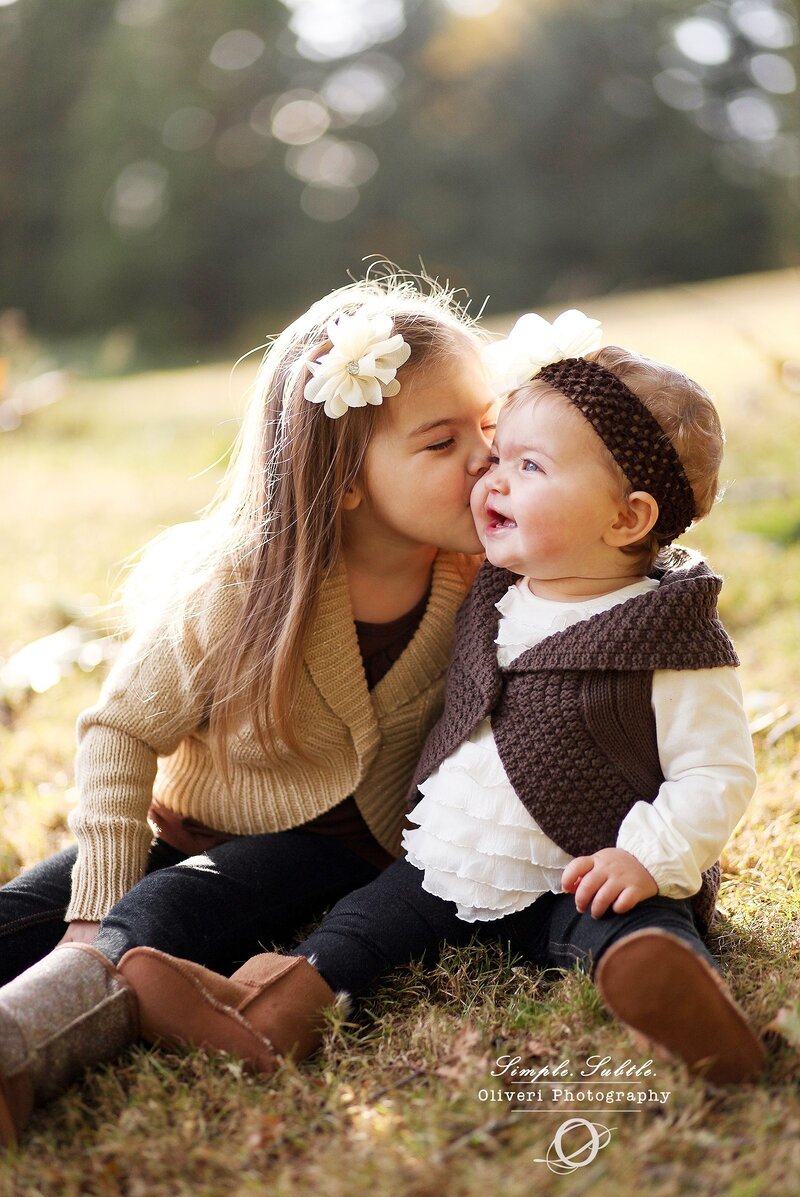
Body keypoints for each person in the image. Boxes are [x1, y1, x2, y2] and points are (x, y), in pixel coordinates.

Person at [109, 310, 764, 1091]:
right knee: (363, 927)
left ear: (627, 519)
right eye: (498, 453)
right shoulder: (488, 586)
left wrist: (649, 859)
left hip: (592, 864)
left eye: (528, 467)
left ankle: (681, 1001)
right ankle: (273, 1011)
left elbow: (717, 772)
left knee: (624, 927)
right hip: (452, 859)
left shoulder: (668, 634)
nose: (490, 475)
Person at [0, 272, 500, 1145]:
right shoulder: (241, 589)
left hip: (323, 853)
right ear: (342, 478)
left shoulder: (483, 584)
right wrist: (98, 886)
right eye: (441, 442)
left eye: (488, 429)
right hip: (185, 823)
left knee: (153, 922)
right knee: (32, 910)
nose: (485, 459)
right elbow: (119, 733)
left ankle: (17, 1052)